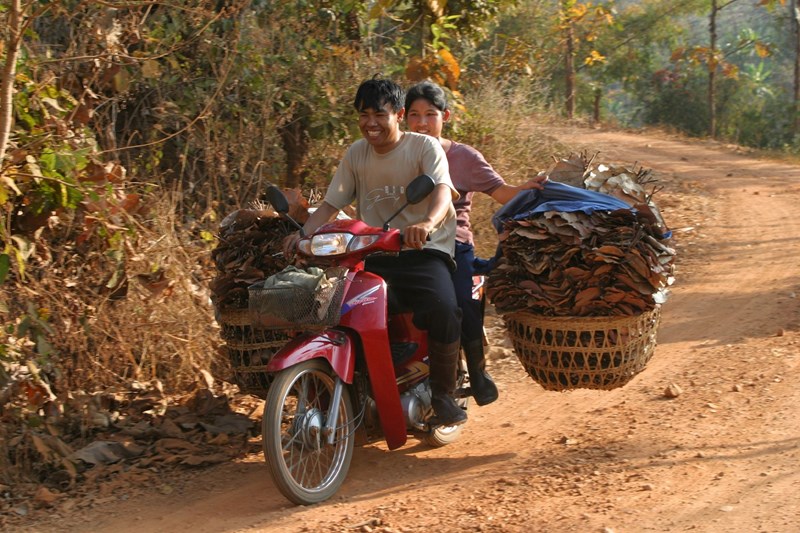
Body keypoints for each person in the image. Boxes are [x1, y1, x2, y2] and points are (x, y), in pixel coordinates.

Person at [284, 76, 467, 426]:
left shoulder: (423, 148)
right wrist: (302, 234)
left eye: (379, 115)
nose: (371, 123)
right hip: (374, 253)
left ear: (398, 114)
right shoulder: (356, 153)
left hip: (423, 250)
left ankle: (443, 394)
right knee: (343, 311)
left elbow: (442, 192)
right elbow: (331, 203)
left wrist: (426, 223)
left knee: (444, 307)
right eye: (363, 115)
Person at [404, 80, 547, 406]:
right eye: (414, 115)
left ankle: (477, 371)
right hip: (407, 243)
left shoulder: (464, 157)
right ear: (403, 118)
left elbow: (500, 193)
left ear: (446, 116)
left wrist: (528, 189)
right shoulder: (397, 154)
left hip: (453, 243)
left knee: (459, 300)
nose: (422, 122)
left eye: (430, 114)